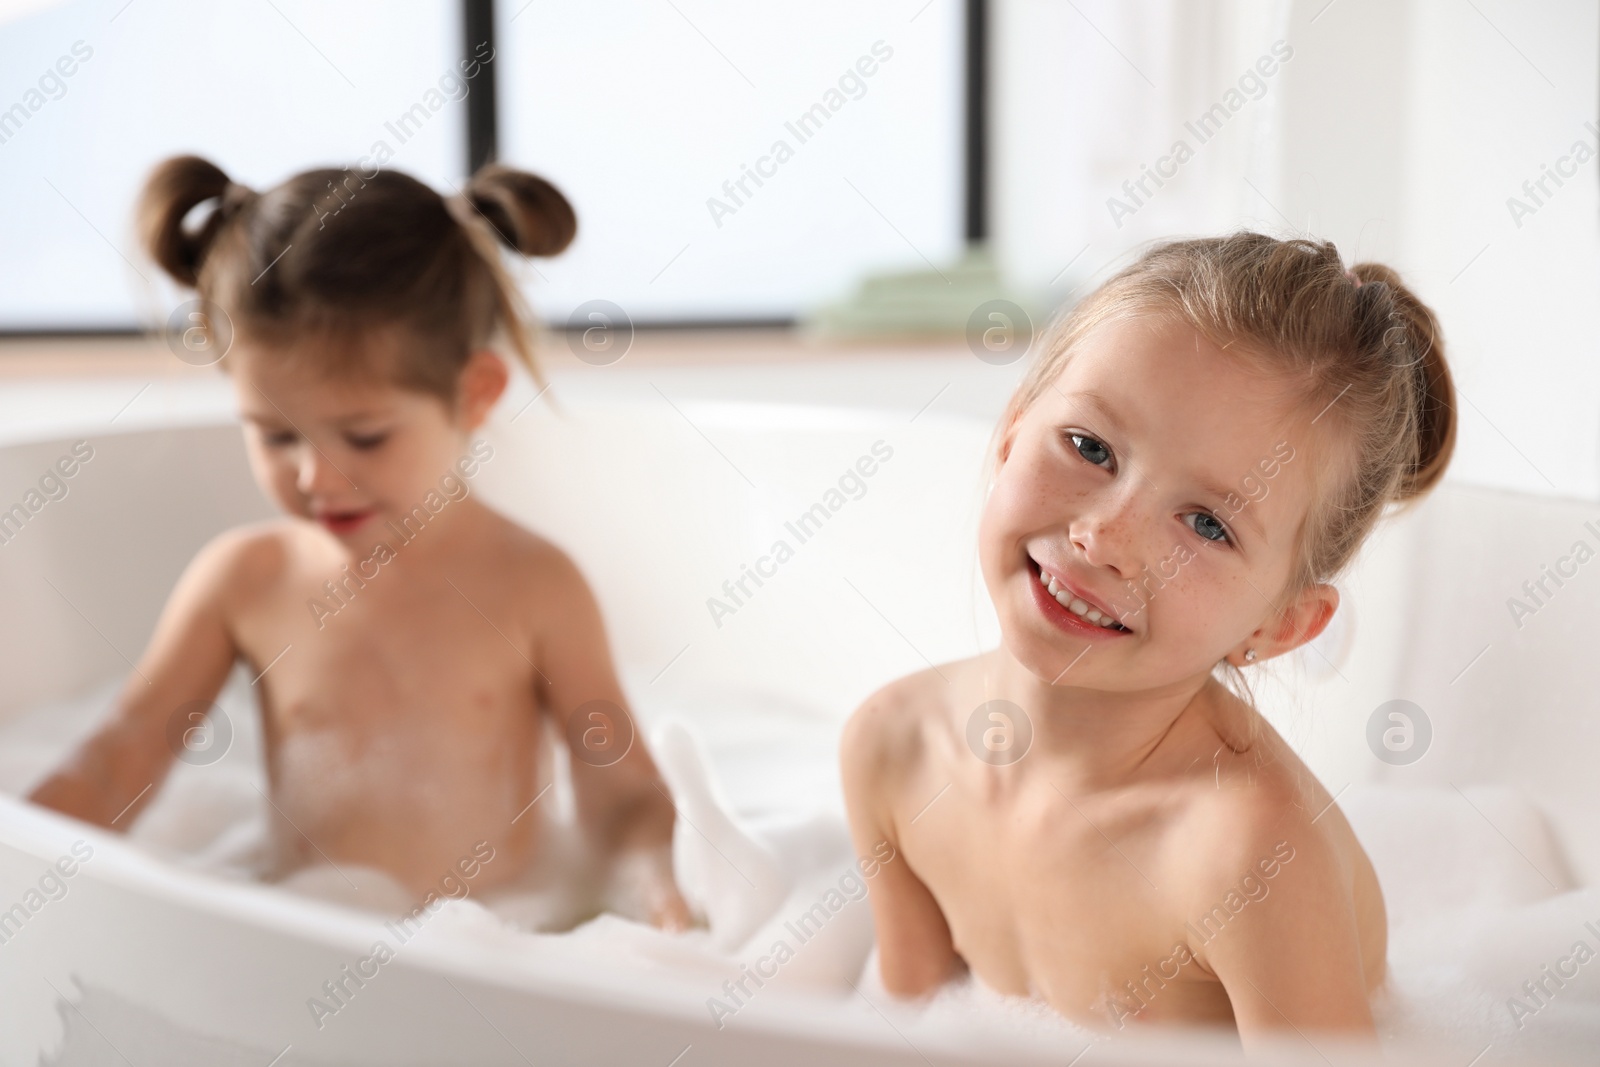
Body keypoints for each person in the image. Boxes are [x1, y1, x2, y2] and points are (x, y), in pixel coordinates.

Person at [30, 155, 690, 930]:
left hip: (501, 947)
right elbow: (116, 764)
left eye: (365, 436)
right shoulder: (244, 581)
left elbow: (623, 795)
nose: (316, 474)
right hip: (304, 942)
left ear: (475, 394)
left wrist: (655, 894)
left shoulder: (533, 585)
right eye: (275, 434)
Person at [842, 233, 1456, 1041]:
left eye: (1206, 523)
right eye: (1090, 446)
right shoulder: (893, 747)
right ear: (1012, 429)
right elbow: (897, 1034)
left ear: (1279, 626)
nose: (1105, 535)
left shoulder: (1247, 857)